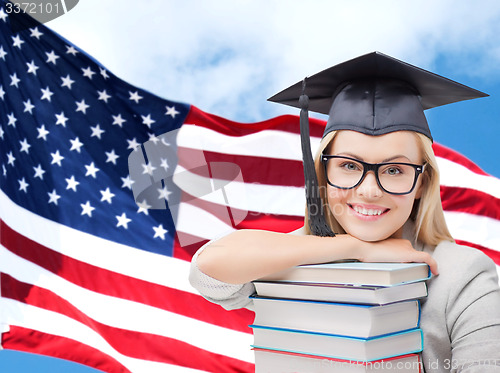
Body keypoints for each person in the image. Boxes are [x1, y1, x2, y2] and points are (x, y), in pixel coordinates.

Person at [189, 52, 500, 372]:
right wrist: (356, 248)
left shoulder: (462, 273)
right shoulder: (289, 255)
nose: (370, 190)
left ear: (421, 182)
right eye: (349, 166)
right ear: (322, 174)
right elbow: (209, 269)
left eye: (394, 170)